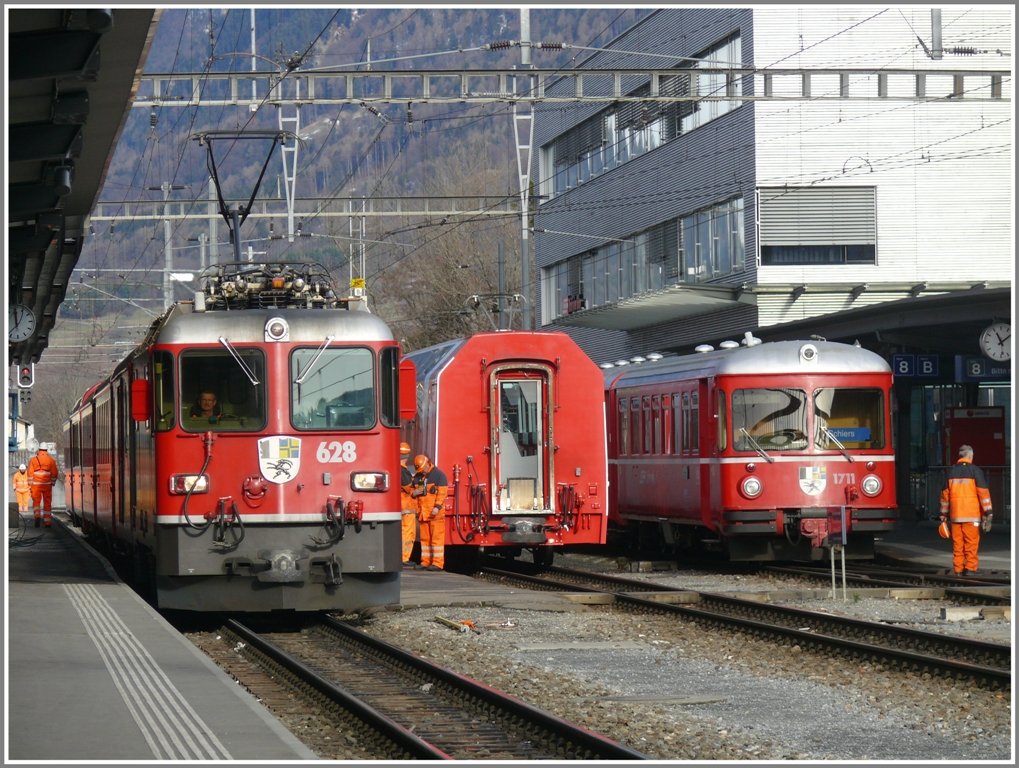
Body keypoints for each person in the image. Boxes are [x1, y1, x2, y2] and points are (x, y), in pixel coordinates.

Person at [939, 444, 994, 576]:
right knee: (971, 543)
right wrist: (988, 511)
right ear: (970, 455)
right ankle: (970, 568)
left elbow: (944, 495)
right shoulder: (975, 471)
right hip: (971, 515)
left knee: (958, 544)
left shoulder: (951, 472)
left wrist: (943, 514)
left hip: (956, 515)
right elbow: (983, 494)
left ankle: (958, 569)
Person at [410, 454, 448, 571]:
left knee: (436, 539)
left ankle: (437, 563)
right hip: (423, 514)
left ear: (428, 463)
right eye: (420, 470)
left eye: (423, 469)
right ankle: (425, 562)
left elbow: (442, 493)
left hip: (435, 514)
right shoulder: (417, 477)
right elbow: (411, 491)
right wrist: (414, 492)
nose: (423, 471)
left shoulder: (439, 475)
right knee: (425, 540)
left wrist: (437, 507)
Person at [27, 445, 59, 528]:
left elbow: (30, 472)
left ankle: (37, 516)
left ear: (39, 449)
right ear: (46, 450)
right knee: (47, 503)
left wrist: (30, 484)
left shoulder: (33, 460)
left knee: (36, 502)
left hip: (36, 485)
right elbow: (54, 473)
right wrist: (52, 482)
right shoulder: (51, 460)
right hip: (47, 485)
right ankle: (47, 522)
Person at [399, 442, 419, 568]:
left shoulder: (395, 467)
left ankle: (401, 557)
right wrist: (416, 490)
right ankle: (404, 558)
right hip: (406, 507)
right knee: (408, 533)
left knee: (402, 533)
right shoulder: (403, 471)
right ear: (407, 455)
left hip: (401, 507)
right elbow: (408, 488)